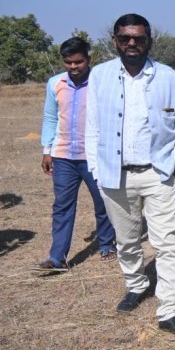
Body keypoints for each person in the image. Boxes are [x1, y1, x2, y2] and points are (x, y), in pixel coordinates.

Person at [85, 13, 175, 337]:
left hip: (158, 173)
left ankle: (169, 309)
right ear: (115, 41)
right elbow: (92, 128)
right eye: (125, 38)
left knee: (167, 243)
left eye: (138, 38)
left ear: (149, 41)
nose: (132, 43)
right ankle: (136, 285)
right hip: (114, 175)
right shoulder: (100, 76)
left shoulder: (169, 78)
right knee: (127, 240)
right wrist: (95, 167)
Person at [33, 37, 116, 274]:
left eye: (78, 62)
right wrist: (47, 150)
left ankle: (106, 244)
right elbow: (50, 117)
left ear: (89, 59)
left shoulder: (100, 83)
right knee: (62, 206)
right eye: (68, 62)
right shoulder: (55, 83)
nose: (73, 67)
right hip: (63, 156)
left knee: (103, 202)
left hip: (94, 156)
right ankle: (57, 257)